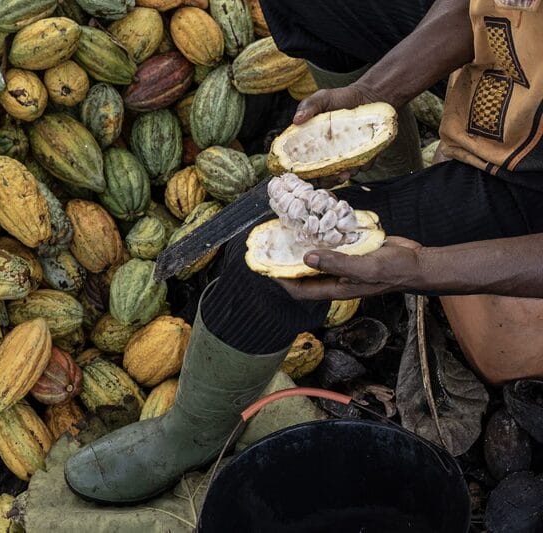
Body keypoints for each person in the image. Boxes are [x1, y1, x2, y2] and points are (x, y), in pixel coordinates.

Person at [65, 0, 543, 504]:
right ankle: (387, 171)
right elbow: (487, 8)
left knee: (270, 268)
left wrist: (421, 267)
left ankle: (190, 433)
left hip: (525, 189)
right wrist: (368, 97)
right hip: (509, 89)